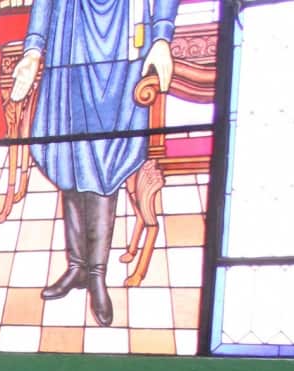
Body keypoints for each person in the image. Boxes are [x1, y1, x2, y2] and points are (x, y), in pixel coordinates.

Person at [10, 0, 179, 327]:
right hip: (70, 38)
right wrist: (33, 48)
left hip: (123, 41)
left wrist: (162, 36)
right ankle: (77, 267)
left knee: (105, 160)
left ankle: (97, 275)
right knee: (70, 156)